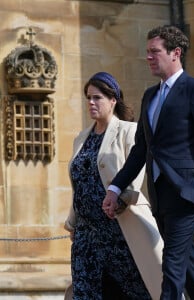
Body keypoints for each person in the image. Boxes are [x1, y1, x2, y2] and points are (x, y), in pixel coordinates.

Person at [102, 25, 194, 300]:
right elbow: (140, 151)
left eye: (154, 52)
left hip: (187, 192)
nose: (148, 57)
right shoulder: (149, 95)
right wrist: (115, 189)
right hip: (160, 194)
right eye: (147, 52)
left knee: (171, 266)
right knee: (188, 268)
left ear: (176, 53)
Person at [64, 71, 164, 300]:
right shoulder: (81, 138)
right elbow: (77, 184)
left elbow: (137, 170)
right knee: (86, 294)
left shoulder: (129, 131)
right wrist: (72, 222)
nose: (91, 103)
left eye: (97, 97)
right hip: (86, 235)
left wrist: (122, 197)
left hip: (119, 229)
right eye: (88, 97)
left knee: (134, 292)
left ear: (113, 100)